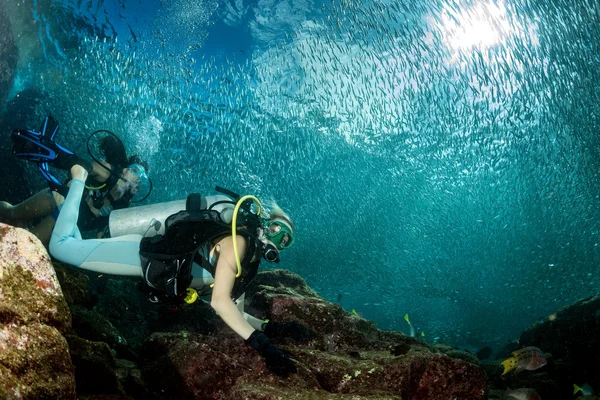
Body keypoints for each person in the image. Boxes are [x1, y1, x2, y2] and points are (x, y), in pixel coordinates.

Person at [50, 164, 310, 377]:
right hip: (142, 258)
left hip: (152, 273)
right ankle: (79, 177)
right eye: (277, 231)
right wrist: (263, 347)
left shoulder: (249, 264)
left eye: (285, 241)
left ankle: (66, 203)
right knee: (60, 247)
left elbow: (236, 313)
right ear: (265, 225)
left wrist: (273, 329)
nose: (278, 241)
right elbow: (219, 303)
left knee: (76, 248)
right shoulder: (239, 242)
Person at [0, 116, 148, 245]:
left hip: (68, 219)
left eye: (142, 177)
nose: (137, 178)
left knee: (30, 242)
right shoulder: (108, 171)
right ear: (127, 167)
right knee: (13, 213)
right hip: (59, 196)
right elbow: (85, 166)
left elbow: (104, 227)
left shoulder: (125, 203)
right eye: (136, 171)